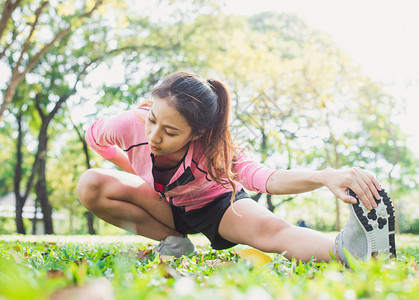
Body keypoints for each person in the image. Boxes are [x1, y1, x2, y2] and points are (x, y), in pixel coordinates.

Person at [77, 71, 396, 265]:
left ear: (197, 133)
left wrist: (324, 176)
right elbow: (97, 138)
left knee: (276, 233)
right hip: (165, 206)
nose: (154, 136)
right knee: (90, 182)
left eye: (171, 132)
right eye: (152, 120)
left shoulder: (217, 149)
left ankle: (349, 252)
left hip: (219, 207)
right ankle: (174, 242)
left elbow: (266, 179)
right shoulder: (128, 124)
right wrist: (137, 171)